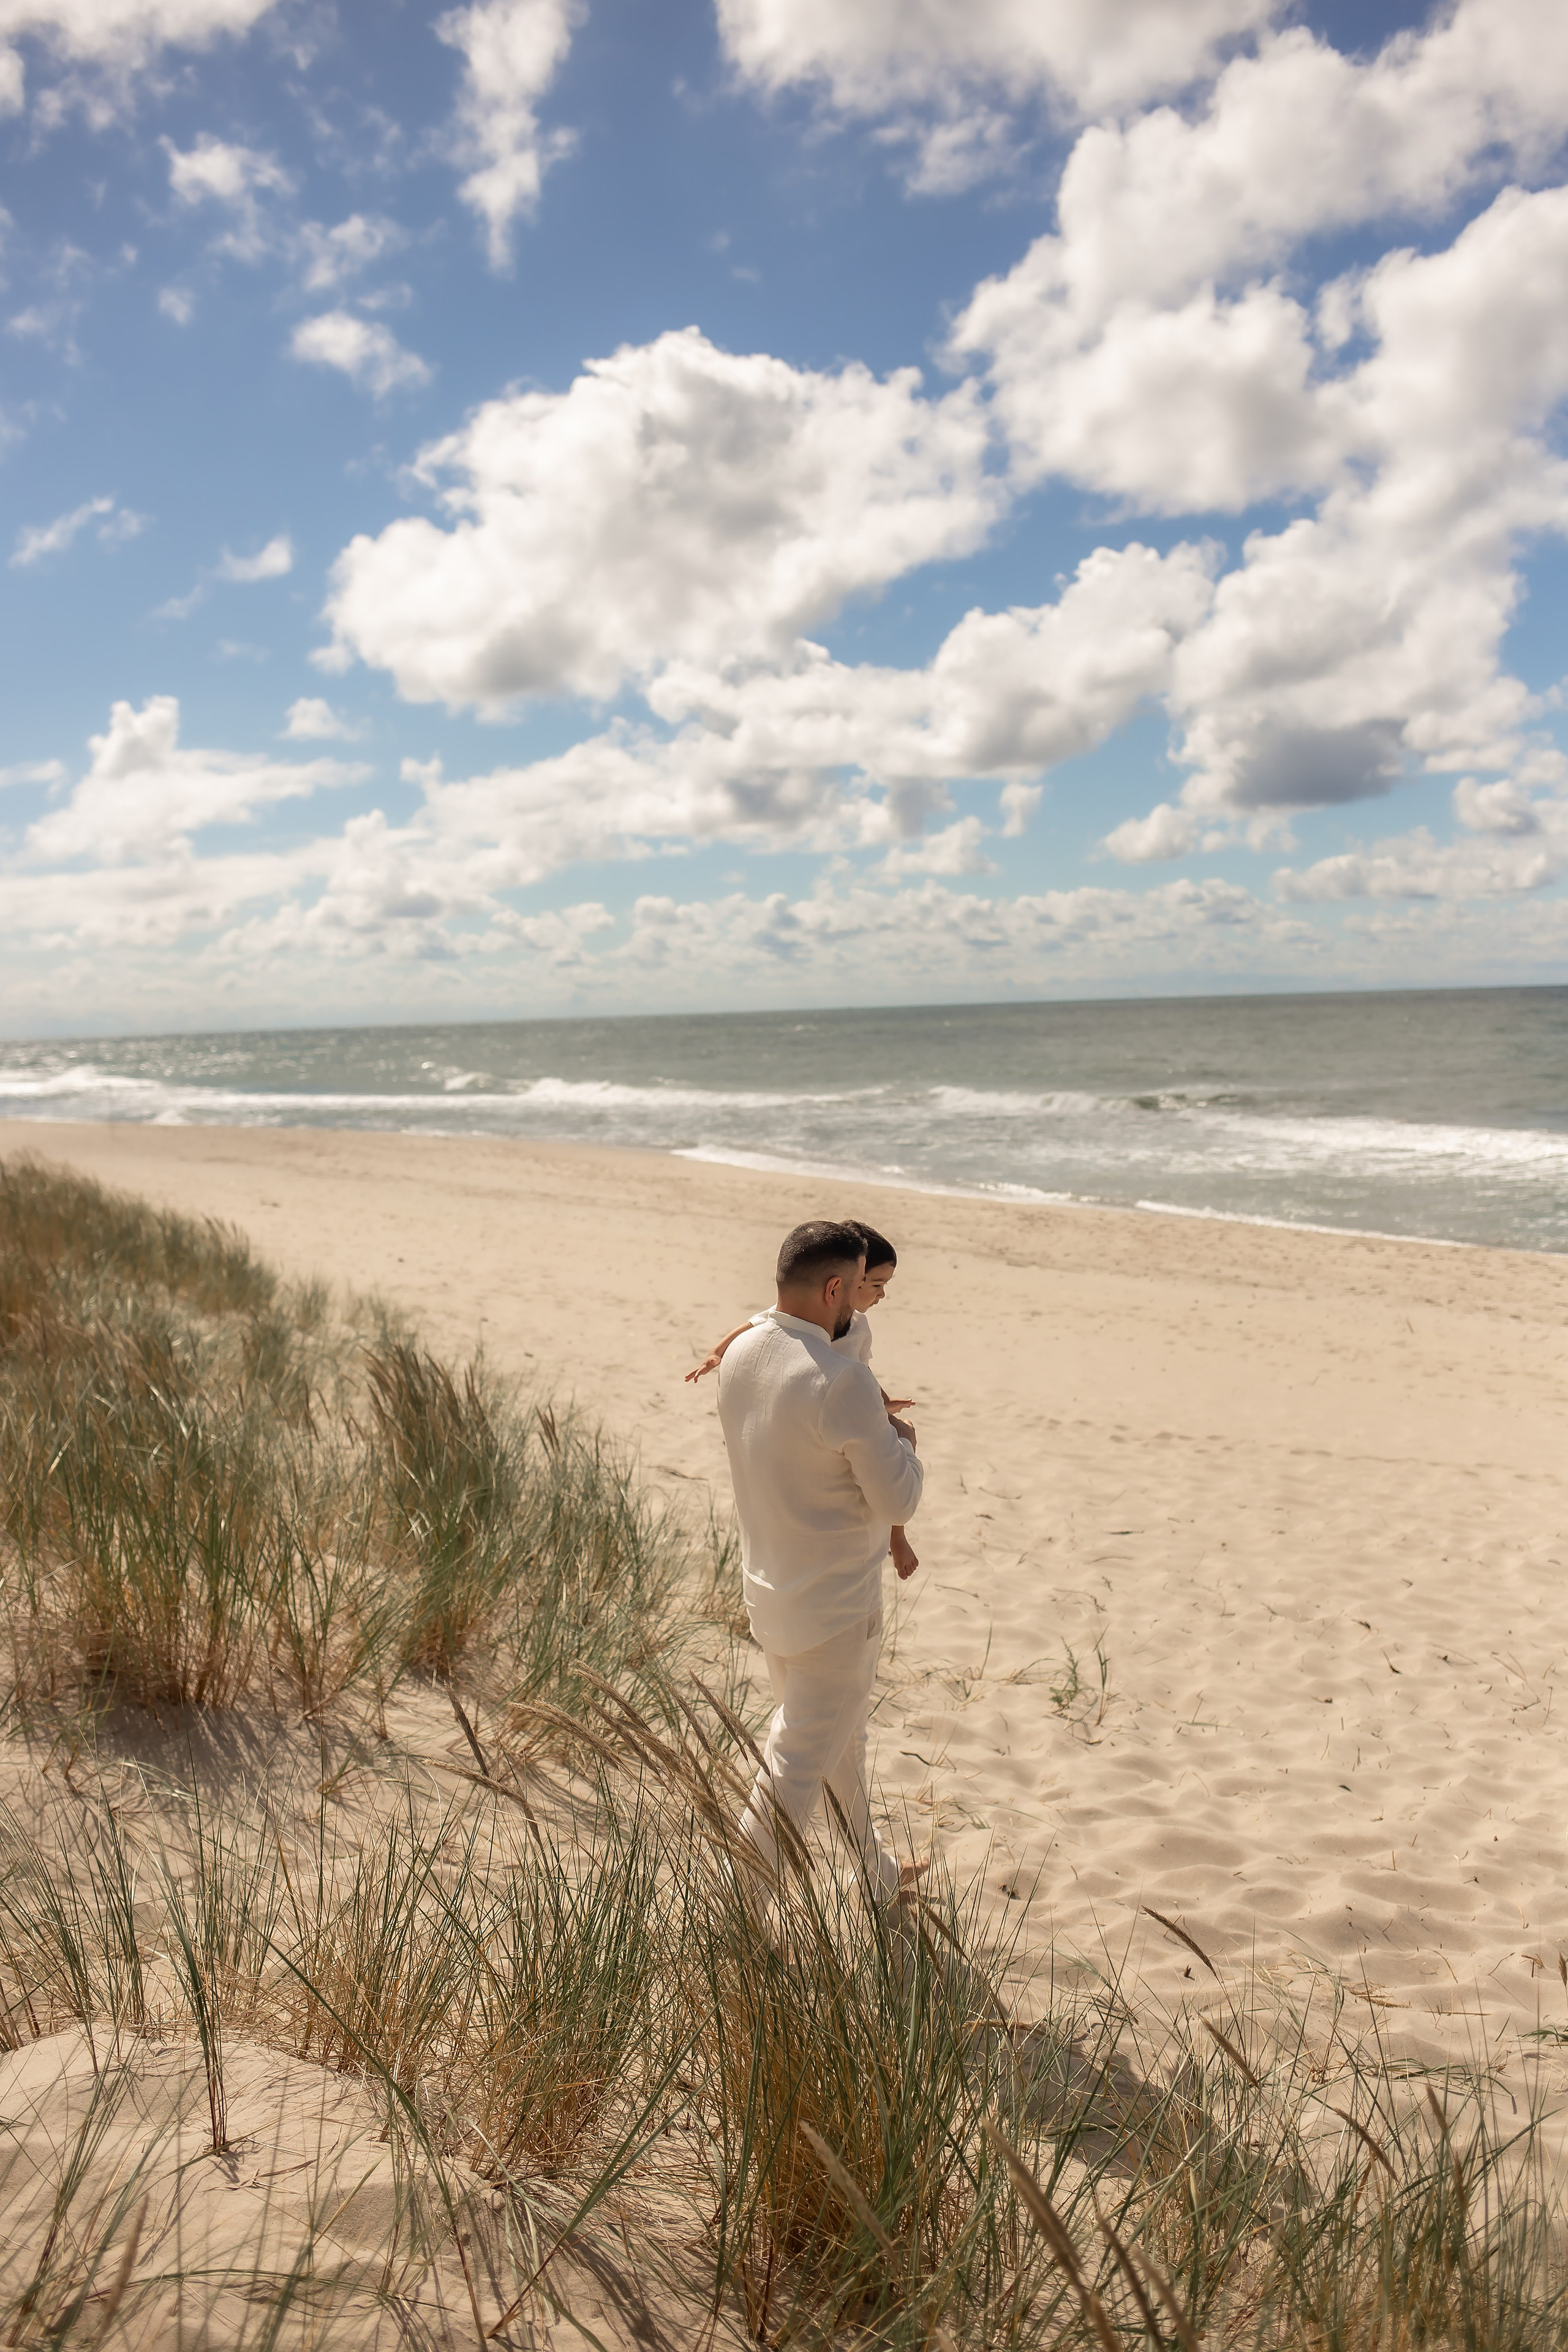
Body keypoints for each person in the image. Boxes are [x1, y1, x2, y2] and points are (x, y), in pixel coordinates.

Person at [714, 1218, 924, 1908]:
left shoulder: (743, 1351)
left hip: (771, 1598)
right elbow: (898, 1495)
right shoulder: (841, 1384)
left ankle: (875, 1877)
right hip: (835, 1611)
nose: (863, 1301)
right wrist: (905, 1442)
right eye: (857, 1287)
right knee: (795, 1765)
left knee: (841, 1749)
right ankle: (730, 1917)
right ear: (835, 1287)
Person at [687, 1216, 921, 1578]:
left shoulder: (854, 1329)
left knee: (882, 1452)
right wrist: (716, 1352)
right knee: (895, 1452)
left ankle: (897, 1537)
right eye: (871, 1283)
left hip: (768, 1572)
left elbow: (864, 1374)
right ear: (840, 1285)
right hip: (833, 1592)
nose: (880, 1294)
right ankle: (898, 1534)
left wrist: (881, 1403)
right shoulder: (798, 1338)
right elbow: (758, 1320)